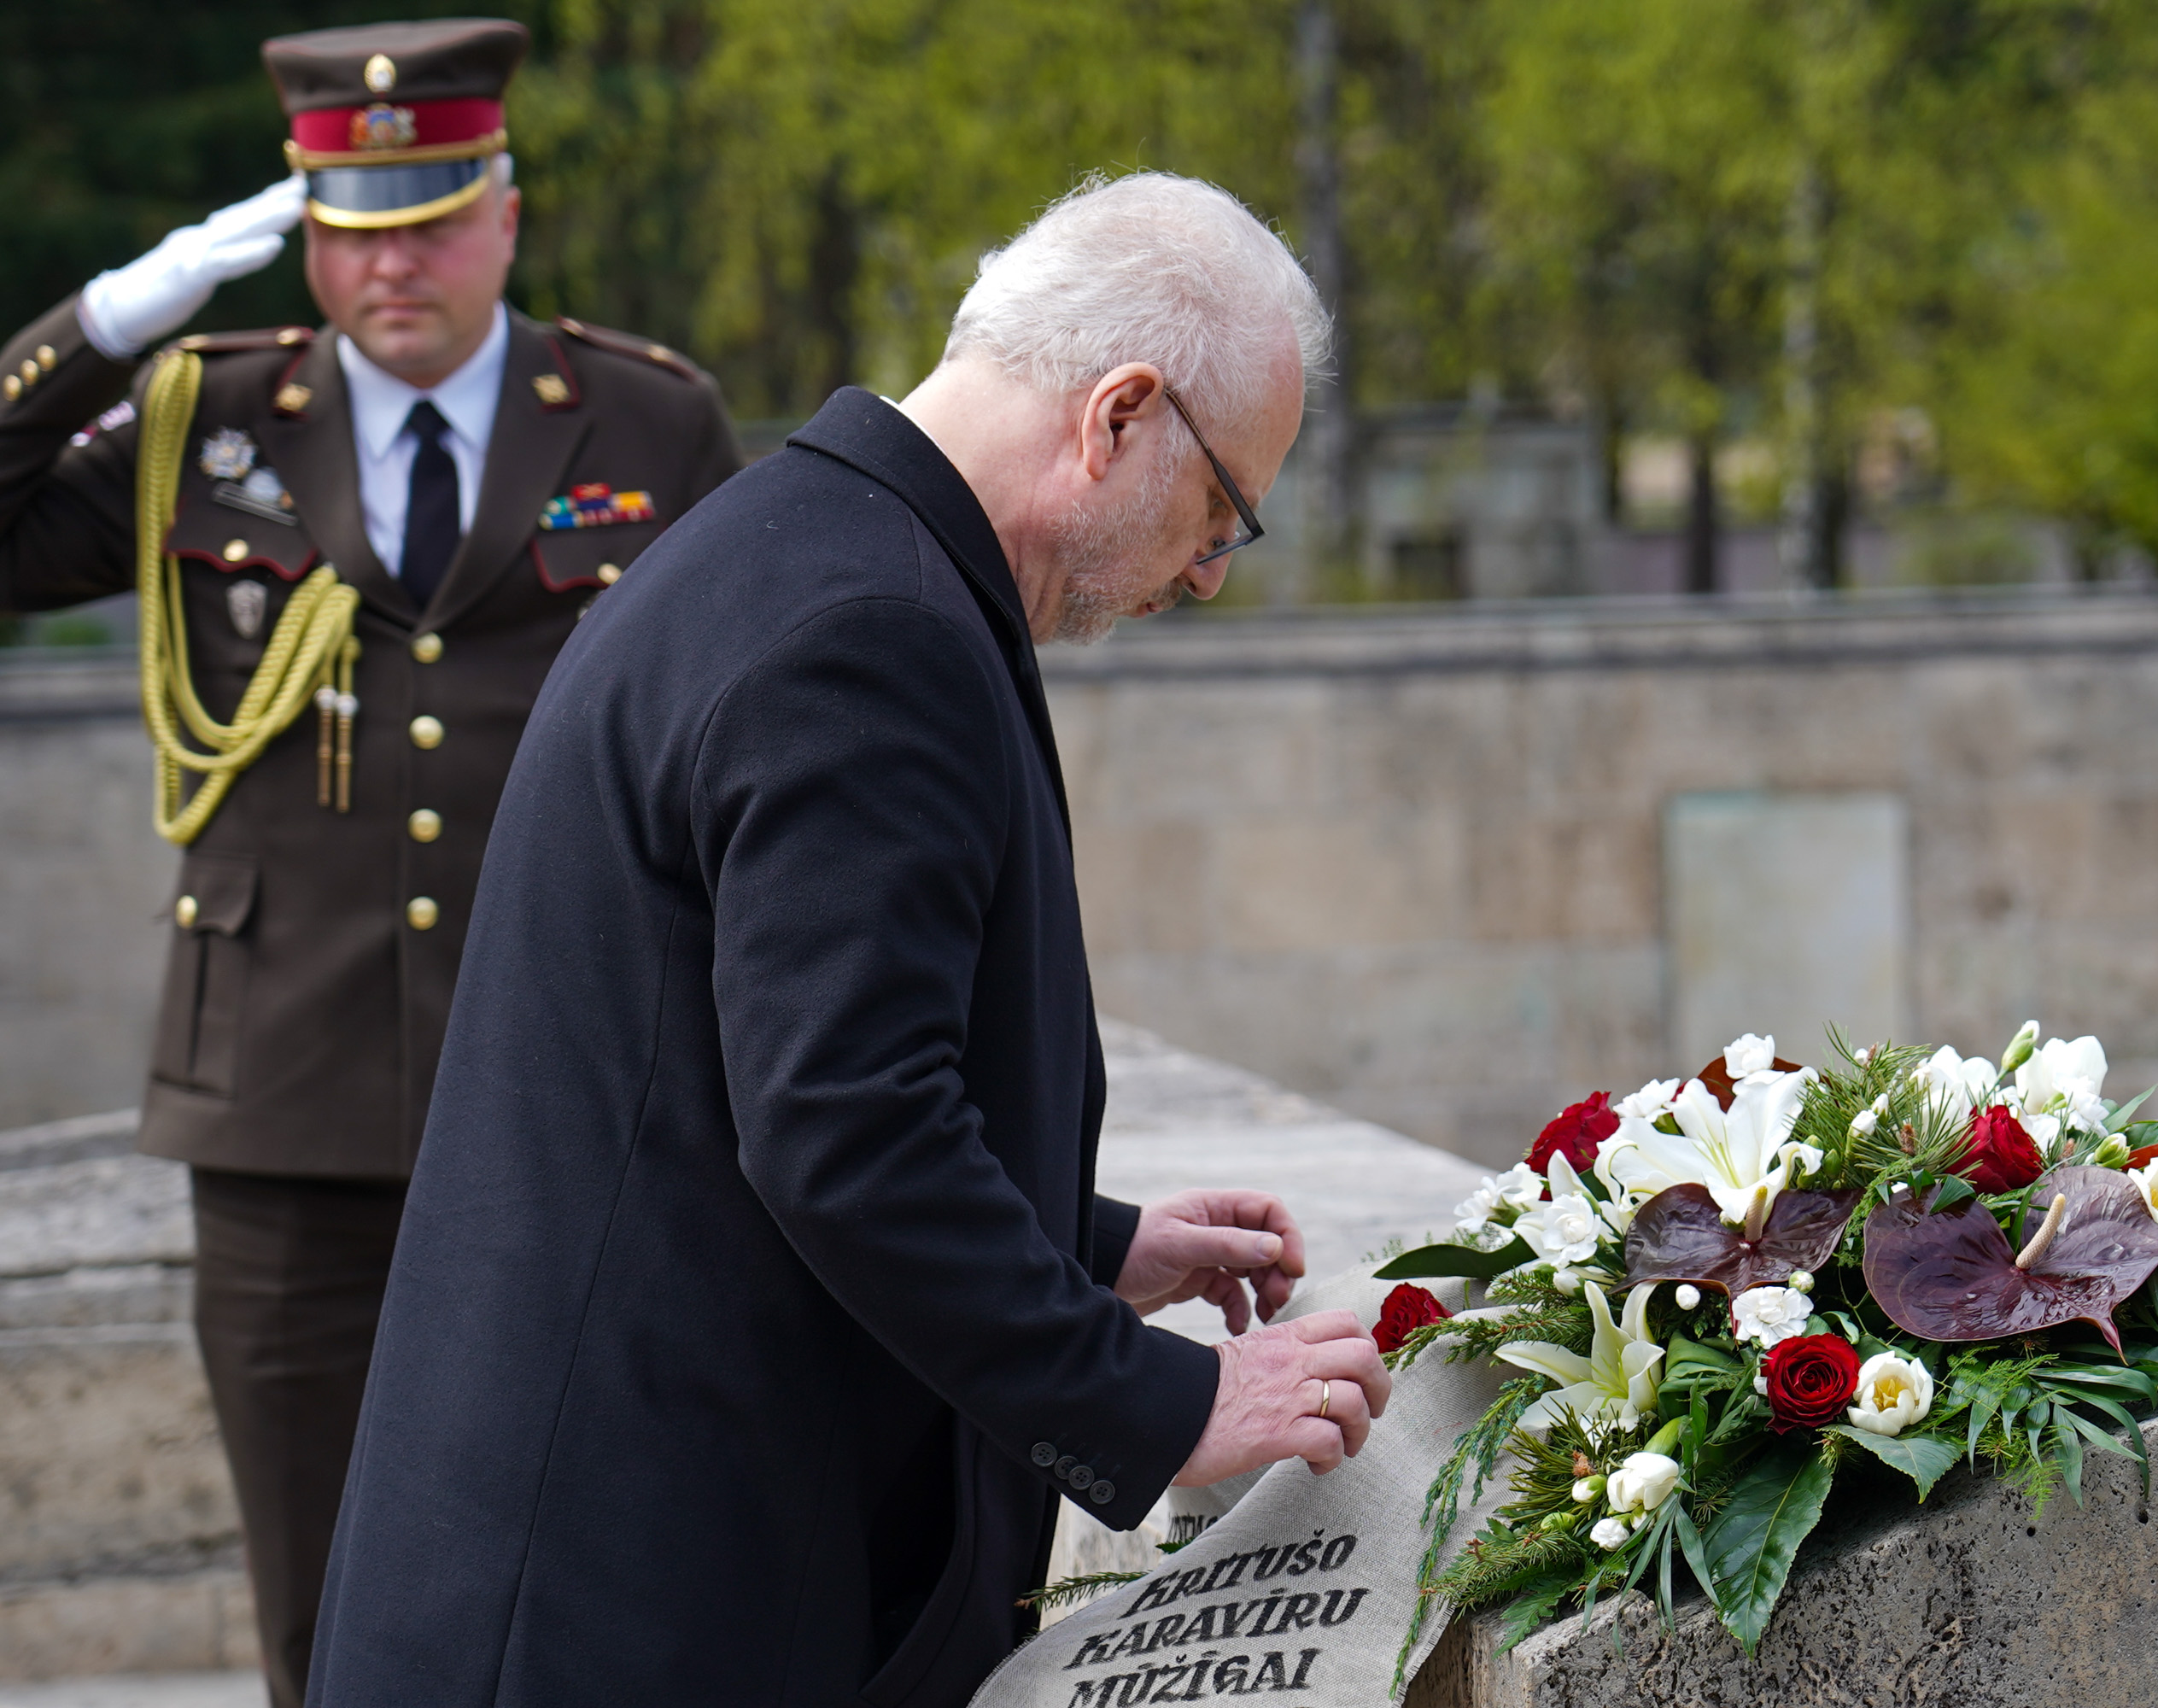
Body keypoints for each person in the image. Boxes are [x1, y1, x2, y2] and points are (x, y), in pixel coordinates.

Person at [307, 172, 1389, 1708]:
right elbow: (842, 1134)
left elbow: (714, 1090)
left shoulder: (805, 547)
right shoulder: (868, 631)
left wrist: (1090, 1250)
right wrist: (1158, 1404)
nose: (1207, 572)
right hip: (625, 1613)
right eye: (1222, 510)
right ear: (1121, 414)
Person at [0, 20, 740, 1705]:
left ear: (505, 214)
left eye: (430, 216)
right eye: (351, 223)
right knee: (319, 1606)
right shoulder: (209, 415)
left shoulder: (643, 419)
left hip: (570, 1084)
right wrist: (105, 329)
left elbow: (741, 718)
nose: (391, 261)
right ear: (306, 234)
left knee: (589, 1568)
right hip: (282, 1108)